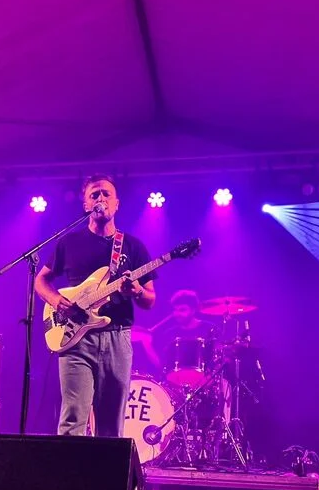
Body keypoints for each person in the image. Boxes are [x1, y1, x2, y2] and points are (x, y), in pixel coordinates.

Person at [35, 174, 157, 437]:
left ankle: (106, 467)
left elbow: (150, 299)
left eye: (106, 194)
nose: (101, 198)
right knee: (72, 420)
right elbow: (41, 280)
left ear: (116, 204)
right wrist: (55, 300)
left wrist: (136, 290)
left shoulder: (133, 247)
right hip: (75, 339)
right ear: (86, 205)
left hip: (117, 338)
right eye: (94, 195)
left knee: (111, 427)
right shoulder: (69, 242)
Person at [141, 289, 215, 377]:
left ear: (193, 310)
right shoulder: (169, 334)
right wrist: (147, 344)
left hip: (205, 380)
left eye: (182, 310)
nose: (177, 314)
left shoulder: (209, 328)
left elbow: (217, 359)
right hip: (176, 381)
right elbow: (161, 366)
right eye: (175, 310)